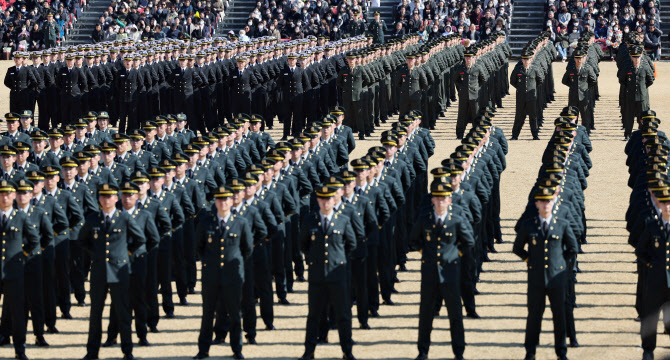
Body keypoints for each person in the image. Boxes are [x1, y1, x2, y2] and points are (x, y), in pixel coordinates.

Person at [79, 183, 146, 360]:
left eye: (110, 196)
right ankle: (92, 351)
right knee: (95, 315)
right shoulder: (93, 218)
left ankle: (127, 351)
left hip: (119, 272)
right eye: (103, 196)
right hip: (99, 272)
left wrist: (126, 253)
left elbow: (140, 238)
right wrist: (95, 254)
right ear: (99, 199)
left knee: (123, 314)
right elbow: (82, 240)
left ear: (116, 199)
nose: (106, 199)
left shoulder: (124, 218)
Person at [410, 180, 473, 360]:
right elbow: (414, 240)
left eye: (444, 198)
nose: (440, 202)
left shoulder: (456, 219)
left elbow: (469, 241)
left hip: (450, 274)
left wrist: (455, 254)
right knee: (426, 315)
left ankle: (458, 352)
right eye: (437, 198)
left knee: (455, 314)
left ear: (449, 200)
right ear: (432, 200)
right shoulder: (425, 219)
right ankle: (423, 351)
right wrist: (425, 253)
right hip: (429, 273)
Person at [513, 187, 578, 360]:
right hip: (536, 279)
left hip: (557, 279)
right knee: (534, 316)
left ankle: (561, 351)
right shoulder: (529, 224)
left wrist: (561, 264)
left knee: (559, 316)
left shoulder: (562, 224)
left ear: (553, 202)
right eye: (542, 201)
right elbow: (517, 248)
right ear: (537, 204)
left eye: (548, 201)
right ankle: (530, 351)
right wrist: (530, 261)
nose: (546, 204)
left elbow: (573, 248)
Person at [193, 185, 252, 360]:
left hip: (232, 277)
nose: (223, 202)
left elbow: (247, 249)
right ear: (215, 202)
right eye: (219, 199)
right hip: (211, 276)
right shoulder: (206, 222)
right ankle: (203, 350)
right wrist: (210, 264)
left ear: (231, 201)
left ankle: (237, 349)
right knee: (207, 314)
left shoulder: (241, 222)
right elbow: (199, 247)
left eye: (226, 199)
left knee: (234, 314)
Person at [298, 185, 356, 360]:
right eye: (322, 199)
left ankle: (347, 351)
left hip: (337, 275)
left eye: (328, 199)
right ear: (318, 200)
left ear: (334, 200)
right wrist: (313, 261)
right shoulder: (310, 220)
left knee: (343, 315)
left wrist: (338, 259)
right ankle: (309, 351)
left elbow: (351, 244)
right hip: (317, 276)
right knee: (314, 316)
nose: (325, 202)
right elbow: (303, 245)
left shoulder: (343, 220)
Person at [0, 179, 40, 360]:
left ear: (14, 196)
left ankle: (19, 348)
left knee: (17, 312)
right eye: (1, 193)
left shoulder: (21, 216)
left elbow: (34, 240)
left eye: (8, 193)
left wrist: (20, 257)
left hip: (14, 272)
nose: (4, 197)